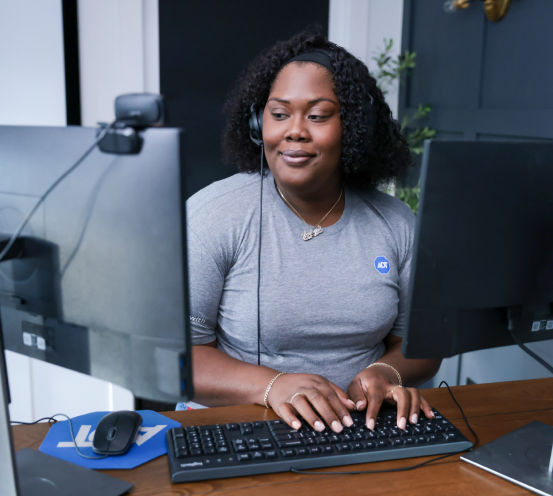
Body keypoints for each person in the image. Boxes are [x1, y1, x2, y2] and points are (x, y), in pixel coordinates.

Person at [186, 29, 441, 435]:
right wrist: (271, 386)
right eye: (279, 113)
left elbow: (422, 346)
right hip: (243, 427)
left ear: (354, 126)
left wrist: (384, 372)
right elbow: (175, 356)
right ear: (258, 123)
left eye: (318, 115)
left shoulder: (395, 223)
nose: (295, 131)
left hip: (361, 427)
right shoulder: (214, 216)